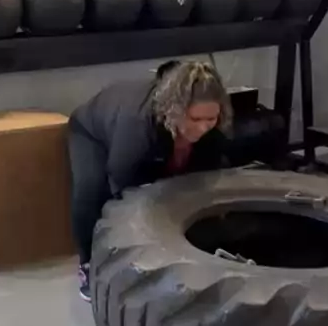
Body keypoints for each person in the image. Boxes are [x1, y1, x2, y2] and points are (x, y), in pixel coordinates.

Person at [68, 59, 232, 301]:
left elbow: (206, 178)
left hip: (144, 134)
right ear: (175, 111)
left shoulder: (213, 127)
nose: (202, 128)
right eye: (195, 119)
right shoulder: (138, 128)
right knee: (91, 191)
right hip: (91, 132)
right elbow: (122, 185)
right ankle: (88, 265)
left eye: (210, 119)